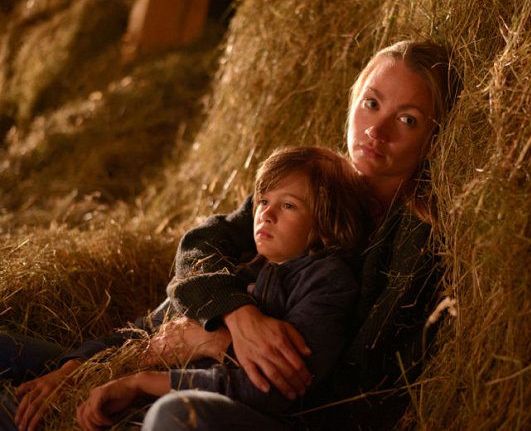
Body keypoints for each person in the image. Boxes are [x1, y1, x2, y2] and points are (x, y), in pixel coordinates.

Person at [147, 39, 462, 429]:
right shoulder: (313, 182)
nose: (376, 131)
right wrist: (235, 312)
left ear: (434, 138)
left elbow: (357, 377)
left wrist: (218, 343)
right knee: (55, 363)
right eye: (372, 103)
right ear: (353, 101)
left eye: (407, 120)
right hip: (207, 372)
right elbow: (203, 244)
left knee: (176, 415)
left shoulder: (416, 238)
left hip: (296, 414)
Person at [74, 146, 371, 430]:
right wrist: (75, 366)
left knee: (178, 413)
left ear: (328, 224)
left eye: (289, 205)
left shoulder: (326, 282)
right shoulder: (237, 268)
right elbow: (149, 326)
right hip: (156, 396)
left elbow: (269, 388)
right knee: (28, 359)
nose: (266, 214)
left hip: (247, 418)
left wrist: (142, 382)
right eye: (264, 201)